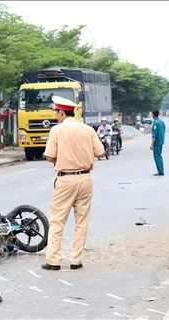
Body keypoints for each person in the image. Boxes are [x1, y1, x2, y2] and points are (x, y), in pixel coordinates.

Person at [42, 96, 105, 271]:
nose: (56, 116)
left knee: (57, 221)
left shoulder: (57, 130)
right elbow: (100, 152)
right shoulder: (88, 129)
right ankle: (76, 260)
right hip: (85, 179)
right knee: (82, 221)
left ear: (61, 112)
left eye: (56, 112)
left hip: (65, 179)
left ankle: (53, 261)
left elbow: (50, 156)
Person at [150, 109, 166, 176]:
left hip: (157, 142)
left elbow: (154, 135)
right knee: (159, 156)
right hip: (161, 141)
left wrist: (151, 144)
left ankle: (160, 171)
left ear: (153, 115)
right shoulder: (162, 122)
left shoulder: (156, 123)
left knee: (157, 157)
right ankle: (161, 170)